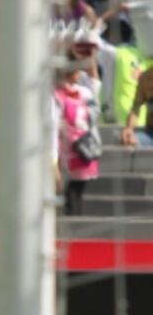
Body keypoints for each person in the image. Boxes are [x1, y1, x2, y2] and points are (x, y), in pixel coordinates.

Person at [57, 49, 101, 215]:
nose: (80, 74)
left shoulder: (83, 91)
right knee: (74, 184)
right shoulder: (58, 93)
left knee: (79, 184)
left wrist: (89, 57)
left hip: (84, 143)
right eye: (77, 70)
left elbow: (95, 86)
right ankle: (72, 214)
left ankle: (75, 214)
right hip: (68, 144)